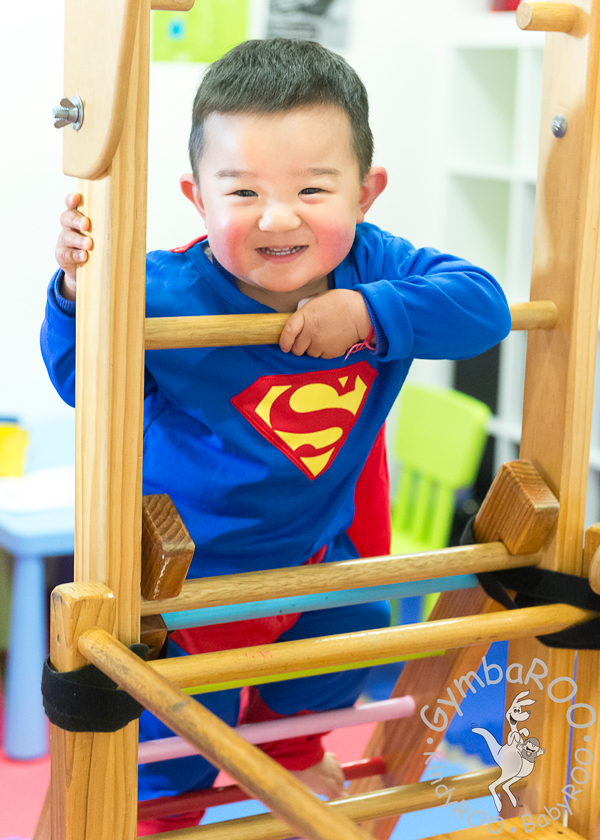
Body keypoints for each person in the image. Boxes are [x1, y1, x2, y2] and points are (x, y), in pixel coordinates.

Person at [42, 37, 511, 832]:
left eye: (313, 188)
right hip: (181, 575)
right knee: (173, 738)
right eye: (243, 190)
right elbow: (78, 382)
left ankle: (290, 753)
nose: (278, 216)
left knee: (356, 641)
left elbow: (483, 306)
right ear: (198, 197)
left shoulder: (378, 268)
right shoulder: (167, 288)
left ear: (366, 192)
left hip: (314, 554)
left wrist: (371, 315)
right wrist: (72, 292)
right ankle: (161, 806)